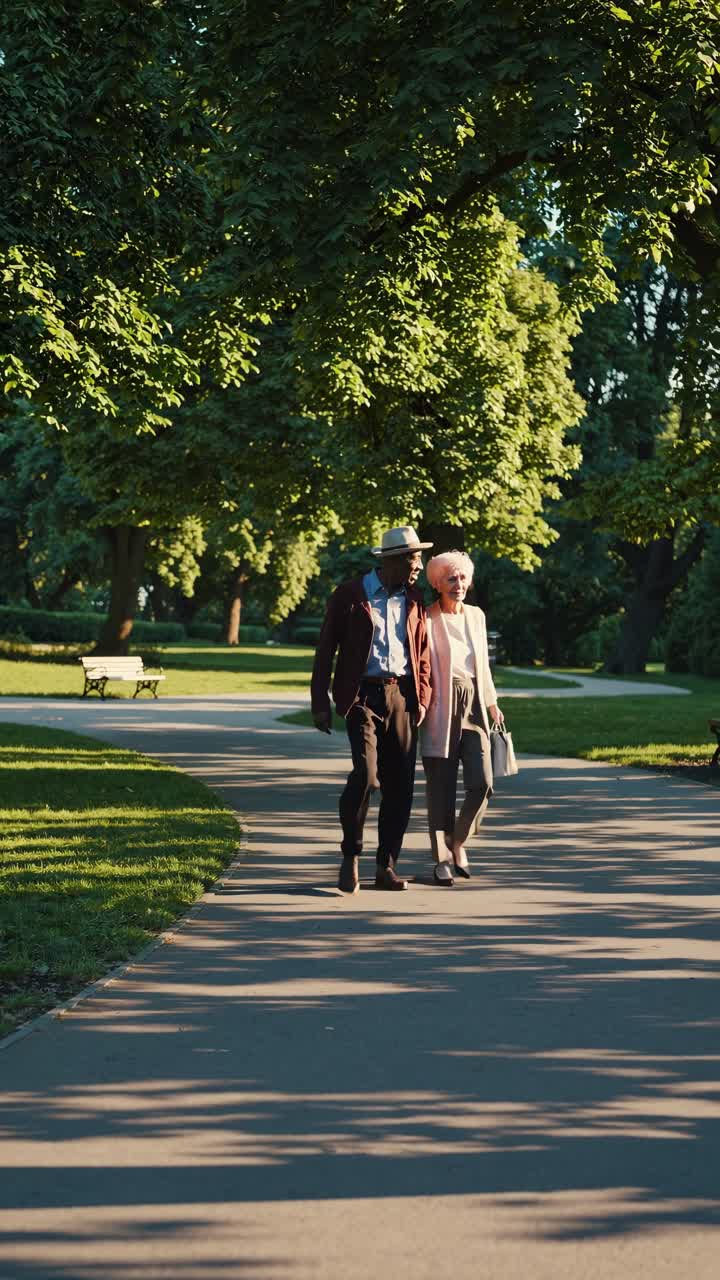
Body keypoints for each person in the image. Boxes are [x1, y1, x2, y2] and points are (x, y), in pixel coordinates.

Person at [311, 526, 433, 894]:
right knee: (366, 776)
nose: (419, 566)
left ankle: (385, 866)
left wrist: (423, 697)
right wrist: (320, 702)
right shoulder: (350, 595)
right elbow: (325, 649)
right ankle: (351, 853)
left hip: (402, 697)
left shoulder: (414, 599)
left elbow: (422, 652)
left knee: (401, 787)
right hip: (361, 695)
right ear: (392, 560)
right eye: (414, 559)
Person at [421, 550, 504, 886]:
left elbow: (482, 664)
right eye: (451, 579)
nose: (458, 584)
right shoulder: (426, 617)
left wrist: (492, 701)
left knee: (482, 782)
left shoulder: (476, 616)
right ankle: (441, 859)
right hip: (441, 703)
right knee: (439, 788)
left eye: (463, 578)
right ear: (439, 583)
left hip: (474, 704)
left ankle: (457, 840)